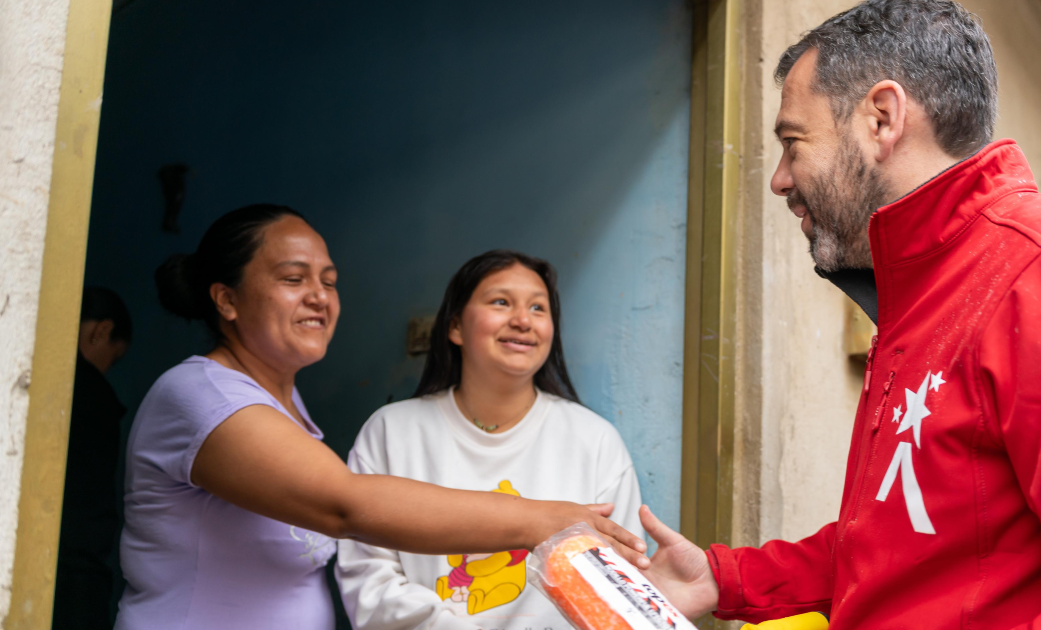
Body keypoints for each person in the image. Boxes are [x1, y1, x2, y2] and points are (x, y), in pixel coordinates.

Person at [638, 1, 1041, 628]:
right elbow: (902, 548)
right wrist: (723, 578)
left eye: (794, 143)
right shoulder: (929, 299)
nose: (780, 179)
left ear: (882, 118)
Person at [116, 205, 645, 630]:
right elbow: (346, 506)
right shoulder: (200, 395)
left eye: (329, 279)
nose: (319, 297)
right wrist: (538, 520)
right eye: (293, 278)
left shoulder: (288, 408)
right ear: (226, 300)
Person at [336, 250, 645, 630]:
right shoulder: (392, 431)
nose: (522, 321)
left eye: (537, 308)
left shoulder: (594, 441)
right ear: (455, 327)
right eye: (501, 302)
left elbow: (621, 586)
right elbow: (371, 581)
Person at [54, 287, 132, 630]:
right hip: (72, 580)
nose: (107, 370)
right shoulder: (93, 398)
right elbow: (88, 512)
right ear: (100, 331)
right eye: (113, 359)